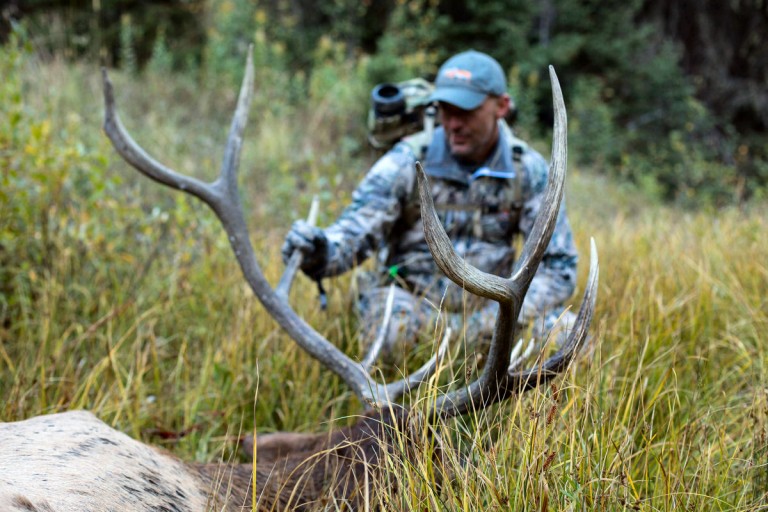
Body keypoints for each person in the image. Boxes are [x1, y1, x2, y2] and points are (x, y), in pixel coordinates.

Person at [282, 50, 578, 361]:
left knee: (567, 338)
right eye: (445, 110)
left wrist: (493, 319)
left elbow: (559, 269)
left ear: (501, 106)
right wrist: (320, 251)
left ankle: (518, 407)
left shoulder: (527, 171)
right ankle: (392, 406)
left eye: (466, 111)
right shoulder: (405, 161)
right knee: (391, 330)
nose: (453, 124)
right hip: (414, 305)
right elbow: (356, 231)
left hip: (494, 315)